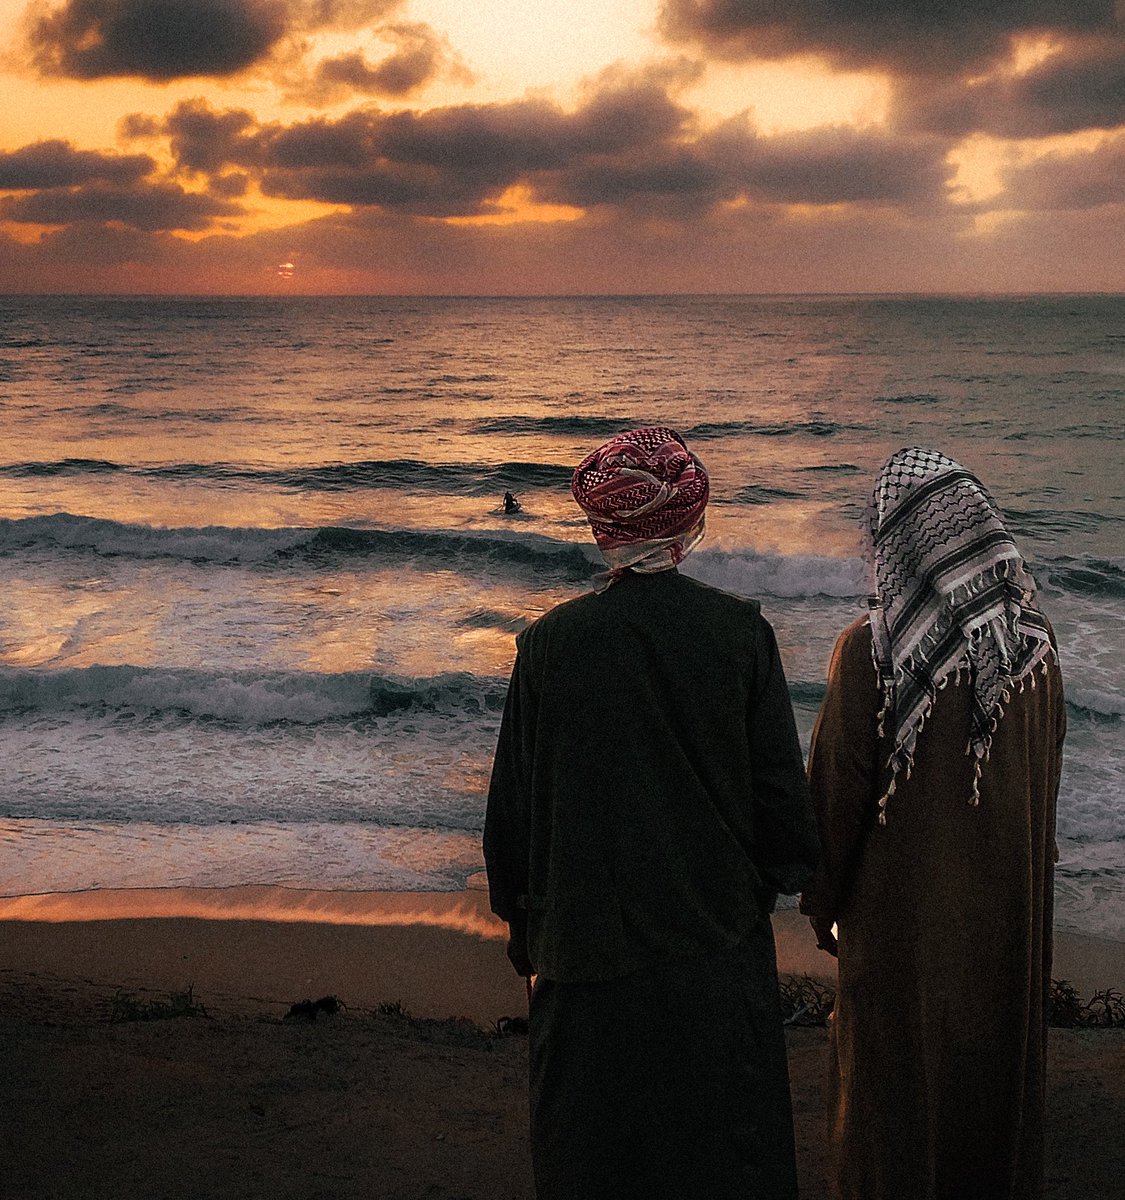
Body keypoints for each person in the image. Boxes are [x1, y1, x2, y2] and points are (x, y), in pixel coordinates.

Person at [483, 426, 819, 1200]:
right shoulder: (739, 633)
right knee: (722, 1152)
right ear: (689, 521)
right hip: (713, 944)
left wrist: (522, 924)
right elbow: (779, 803)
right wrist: (775, 882)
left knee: (595, 1157)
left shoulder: (548, 644)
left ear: (603, 528)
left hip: (582, 949)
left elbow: (514, 809)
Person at [800, 447, 1066, 1200]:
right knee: (990, 1099)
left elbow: (833, 800)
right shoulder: (1037, 647)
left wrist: (821, 907)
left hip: (901, 930)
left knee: (891, 1109)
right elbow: (1044, 780)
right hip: (1009, 922)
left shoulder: (873, 652)